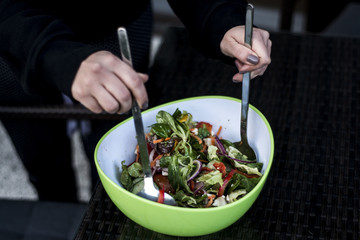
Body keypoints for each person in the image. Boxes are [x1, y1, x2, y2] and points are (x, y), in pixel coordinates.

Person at [0, 0, 271, 202]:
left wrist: (221, 16)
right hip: (14, 40)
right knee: (43, 163)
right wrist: (51, 54)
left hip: (117, 23)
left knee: (118, 158)